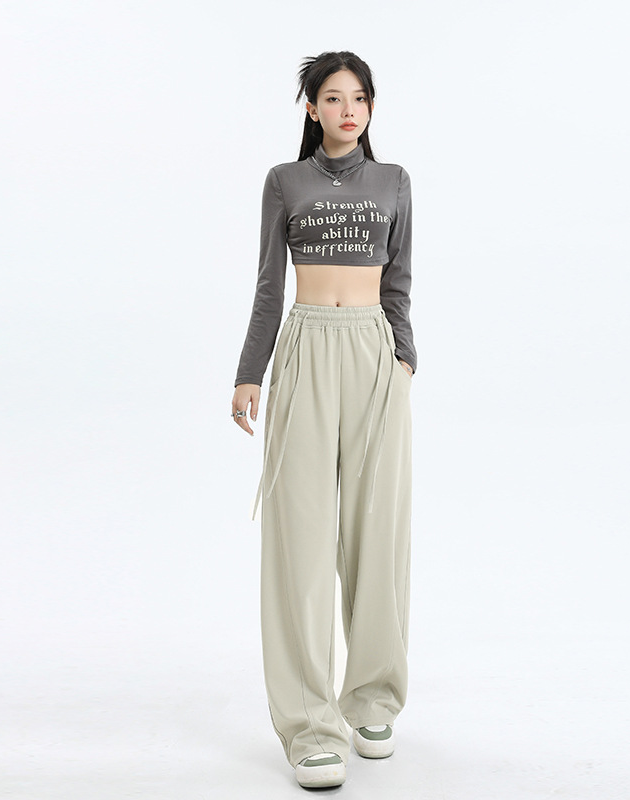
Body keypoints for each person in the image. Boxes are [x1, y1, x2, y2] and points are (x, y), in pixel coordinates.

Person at [230, 50, 416, 790]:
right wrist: (250, 372)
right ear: (311, 108)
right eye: (333, 98)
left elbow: (399, 280)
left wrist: (403, 358)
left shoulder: (393, 181)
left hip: (373, 352)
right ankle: (309, 723)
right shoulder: (286, 181)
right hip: (305, 345)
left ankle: (372, 698)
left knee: (377, 531)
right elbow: (268, 286)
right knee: (301, 537)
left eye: (359, 98)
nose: (348, 110)